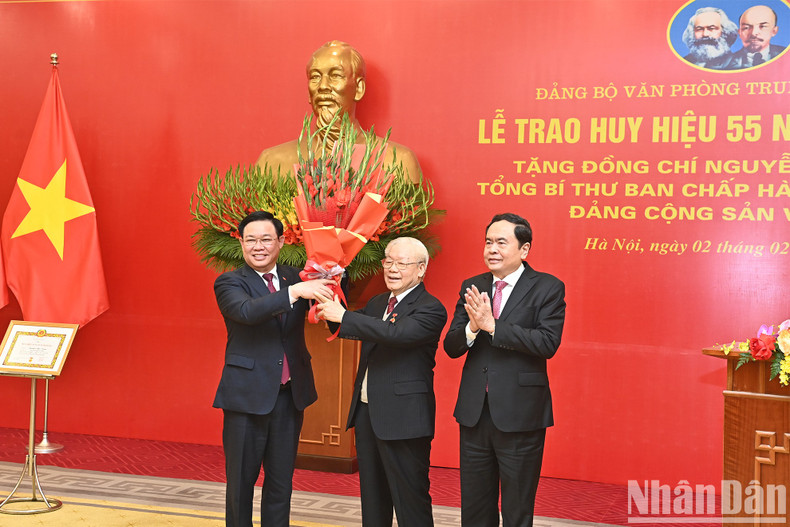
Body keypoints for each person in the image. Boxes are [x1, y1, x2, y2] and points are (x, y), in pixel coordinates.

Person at [213, 210, 335, 527]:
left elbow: (331, 295)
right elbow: (247, 312)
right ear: (241, 243)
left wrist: (336, 271)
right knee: (240, 484)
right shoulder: (230, 282)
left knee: (281, 483)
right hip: (246, 397)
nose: (259, 246)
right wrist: (294, 293)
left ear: (281, 242)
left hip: (288, 396)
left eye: (266, 239)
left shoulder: (297, 276)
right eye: (251, 240)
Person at [314, 237, 447, 526]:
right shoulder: (378, 303)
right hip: (368, 414)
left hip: (404, 419)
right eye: (389, 261)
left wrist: (344, 316)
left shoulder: (430, 308)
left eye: (402, 263)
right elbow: (347, 326)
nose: (393, 269)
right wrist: (327, 295)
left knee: (410, 500)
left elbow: (396, 334)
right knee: (373, 499)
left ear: (421, 269)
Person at [443, 213, 566, 527]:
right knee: (475, 506)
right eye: (488, 242)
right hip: (475, 413)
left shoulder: (548, 287)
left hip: (520, 414)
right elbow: (451, 347)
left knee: (516, 508)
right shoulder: (473, 286)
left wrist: (493, 326)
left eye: (501, 242)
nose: (492, 249)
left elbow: (547, 343)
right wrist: (472, 327)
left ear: (524, 249)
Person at [256, 40, 422, 183]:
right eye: (315, 77)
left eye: (335, 75)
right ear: (308, 92)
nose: (322, 86)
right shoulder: (271, 163)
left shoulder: (398, 163)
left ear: (359, 88)